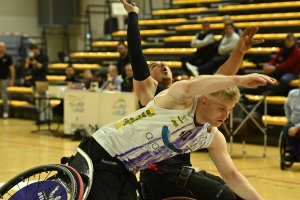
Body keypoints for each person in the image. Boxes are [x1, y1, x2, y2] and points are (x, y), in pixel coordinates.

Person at [124, 1, 265, 199]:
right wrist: (133, 15)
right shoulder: (150, 92)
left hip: (183, 169)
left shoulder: (185, 95)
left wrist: (238, 52)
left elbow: (219, 82)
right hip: (160, 174)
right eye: (156, 65)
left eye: (165, 63)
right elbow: (136, 54)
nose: (163, 65)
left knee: (238, 192)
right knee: (225, 196)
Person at [24, 44, 50, 124]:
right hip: (34, 81)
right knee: (37, 101)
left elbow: (42, 67)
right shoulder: (31, 58)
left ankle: (48, 118)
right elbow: (26, 68)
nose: (32, 53)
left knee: (45, 100)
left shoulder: (43, 57)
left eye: (33, 50)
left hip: (42, 80)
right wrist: (28, 62)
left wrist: (35, 62)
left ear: (37, 49)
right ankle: (41, 118)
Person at [283, 73, 300, 161]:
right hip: (294, 122)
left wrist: (298, 127)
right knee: (286, 129)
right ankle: (293, 153)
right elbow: (287, 106)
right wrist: (289, 118)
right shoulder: (292, 94)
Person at [0, 42, 15, 118]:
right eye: (0, 47)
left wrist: (12, 79)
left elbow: (12, 69)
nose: (1, 48)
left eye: (3, 47)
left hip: (4, 80)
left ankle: (6, 112)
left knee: (4, 96)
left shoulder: (8, 57)